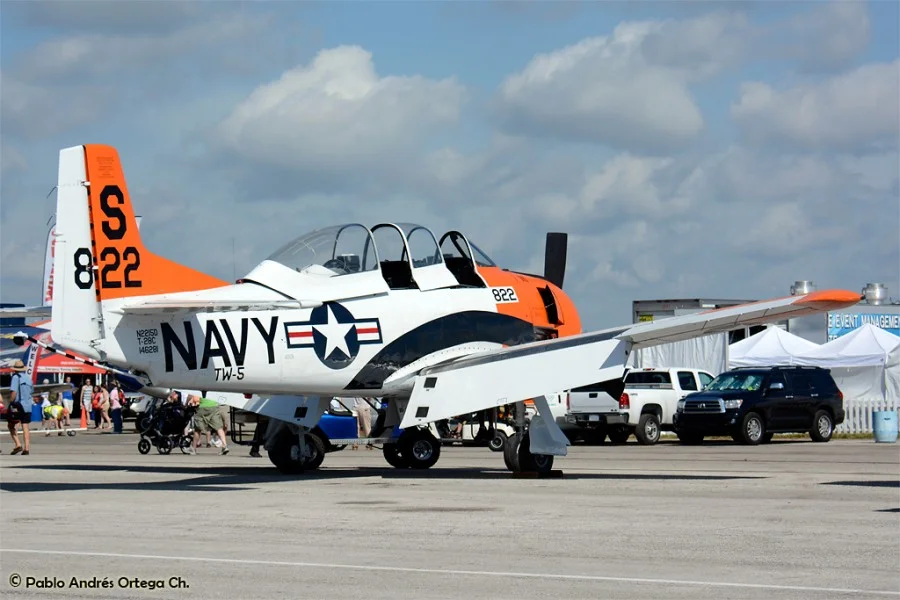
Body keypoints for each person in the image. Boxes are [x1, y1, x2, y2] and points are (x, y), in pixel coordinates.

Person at [7, 359, 35, 455]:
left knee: (11, 425)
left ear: (15, 369)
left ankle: (18, 444)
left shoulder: (15, 377)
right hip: (28, 405)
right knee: (25, 426)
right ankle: (26, 448)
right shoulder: (28, 378)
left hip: (18, 405)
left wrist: (10, 402)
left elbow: (14, 392)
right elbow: (32, 391)